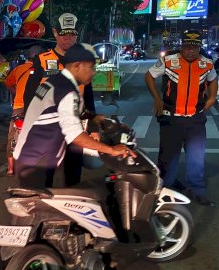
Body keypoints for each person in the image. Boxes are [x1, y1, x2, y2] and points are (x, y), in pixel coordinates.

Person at [13, 43, 131, 189]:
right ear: (77, 66)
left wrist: (94, 118)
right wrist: (111, 150)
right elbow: (75, 136)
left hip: (34, 155)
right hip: (35, 161)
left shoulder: (56, 81)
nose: (94, 73)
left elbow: (63, 110)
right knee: (36, 207)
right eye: (91, 67)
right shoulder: (67, 91)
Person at [22, 12, 100, 186]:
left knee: (74, 177)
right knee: (44, 177)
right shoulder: (42, 60)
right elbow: (30, 97)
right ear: (56, 33)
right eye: (64, 34)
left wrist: (94, 128)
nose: (68, 38)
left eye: (72, 34)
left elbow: (88, 98)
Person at [144, 30, 217, 207]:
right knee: (168, 157)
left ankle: (197, 190)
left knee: (196, 157)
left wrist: (212, 97)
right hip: (171, 119)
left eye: (195, 47)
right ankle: (164, 190)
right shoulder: (169, 61)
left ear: (199, 47)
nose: (191, 50)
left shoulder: (206, 64)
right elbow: (149, 76)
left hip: (195, 119)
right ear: (182, 46)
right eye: (187, 46)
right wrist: (157, 99)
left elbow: (213, 79)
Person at [3, 45, 40, 176]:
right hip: (35, 107)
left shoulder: (19, 69)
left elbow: (7, 82)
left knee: (11, 136)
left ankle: (10, 168)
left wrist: (16, 91)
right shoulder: (42, 70)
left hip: (18, 107)